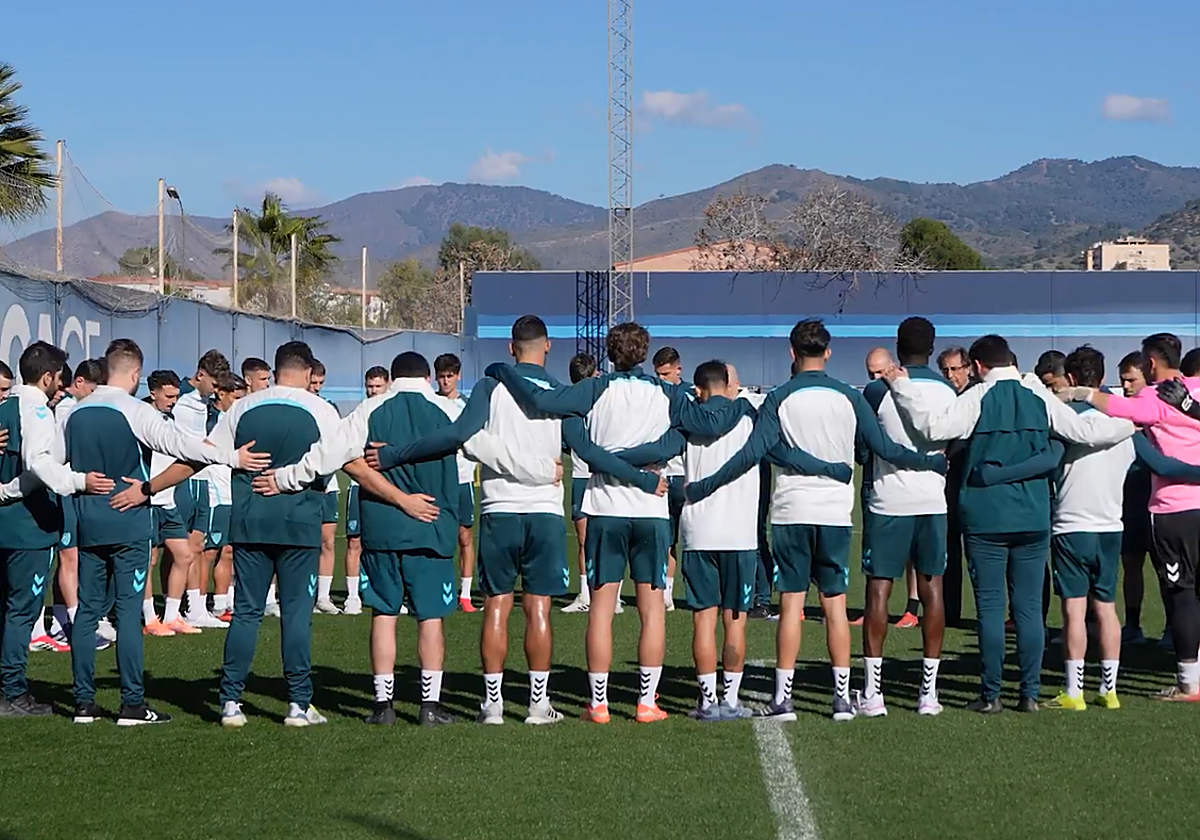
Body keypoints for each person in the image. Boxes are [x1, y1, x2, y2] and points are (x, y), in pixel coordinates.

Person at [485, 321, 751, 724]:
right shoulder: (666, 392)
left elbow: (562, 420)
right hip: (650, 509)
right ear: (645, 354)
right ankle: (646, 703)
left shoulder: (595, 388)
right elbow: (679, 439)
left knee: (601, 611)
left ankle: (599, 704)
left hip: (605, 508)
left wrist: (503, 371)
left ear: (609, 354)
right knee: (652, 611)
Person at [686, 320, 943, 722]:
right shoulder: (847, 396)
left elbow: (754, 452)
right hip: (835, 515)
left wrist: (706, 484)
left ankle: (783, 699)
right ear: (828, 352)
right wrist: (929, 462)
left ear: (792, 354)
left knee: (791, 605)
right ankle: (841, 698)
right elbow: (883, 448)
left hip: (791, 513)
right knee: (835, 605)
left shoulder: (780, 398)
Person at [264, 350, 536, 727]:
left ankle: (382, 705)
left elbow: (328, 454)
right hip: (432, 526)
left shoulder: (370, 408)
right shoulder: (447, 410)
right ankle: (429, 705)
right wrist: (536, 470)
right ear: (427, 378)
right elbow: (488, 448)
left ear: (391, 379)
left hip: (382, 528)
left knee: (384, 614)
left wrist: (283, 479)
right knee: (430, 619)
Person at [884, 334, 1135, 713]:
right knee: (1029, 609)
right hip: (1033, 515)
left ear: (979, 367)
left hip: (985, 516)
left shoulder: (978, 395)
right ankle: (1029, 693)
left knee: (989, 607)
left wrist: (899, 385)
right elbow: (1084, 432)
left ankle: (991, 694)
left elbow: (931, 428)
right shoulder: (1038, 395)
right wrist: (1133, 423)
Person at [983, 345, 1200, 710]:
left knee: (1072, 609)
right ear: (1103, 379)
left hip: (1071, 525)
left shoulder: (1063, 422)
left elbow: (1049, 461)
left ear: (1070, 379)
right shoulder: (1127, 428)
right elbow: (1162, 465)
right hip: (1110, 527)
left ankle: (1073, 691)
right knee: (1105, 608)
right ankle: (1109, 690)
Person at [67, 338, 261, 725]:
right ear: (136, 374)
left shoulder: (75, 412)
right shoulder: (134, 411)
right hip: (129, 519)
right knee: (126, 611)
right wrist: (231, 456)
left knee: (87, 611)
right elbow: (180, 445)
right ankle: (132, 705)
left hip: (87, 520)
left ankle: (83, 703)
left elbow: (50, 464)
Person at [152, 341, 332, 727]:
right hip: (300, 523)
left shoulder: (244, 407)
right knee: (296, 613)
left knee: (246, 612)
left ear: (277, 370)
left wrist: (151, 487)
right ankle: (299, 704)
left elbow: (201, 455)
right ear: (305, 371)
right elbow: (343, 459)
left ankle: (231, 701)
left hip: (250, 522)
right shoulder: (320, 409)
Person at [1077, 333, 1200, 699]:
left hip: (1173, 509)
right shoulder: (1192, 390)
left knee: (1182, 595)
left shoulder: (1156, 396)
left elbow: (1118, 409)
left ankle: (1189, 683)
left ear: (1149, 364)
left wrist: (1082, 394)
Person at [0, 342, 112, 717]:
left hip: (9, 524)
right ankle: (12, 692)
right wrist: (77, 481)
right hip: (27, 527)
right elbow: (37, 461)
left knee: (7, 610)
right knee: (20, 613)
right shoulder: (34, 408)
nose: (61, 387)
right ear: (47, 377)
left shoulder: (5, 406)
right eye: (59, 379)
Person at [856, 320, 957, 717]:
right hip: (932, 502)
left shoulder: (879, 389)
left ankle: (873, 693)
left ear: (898, 349)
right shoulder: (947, 389)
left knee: (878, 590)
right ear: (932, 350)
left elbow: (867, 443)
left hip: (889, 502)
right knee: (932, 590)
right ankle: (928, 693)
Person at [676, 361, 758, 721]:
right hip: (739, 533)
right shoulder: (749, 414)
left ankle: (708, 701)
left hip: (699, 531)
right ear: (728, 386)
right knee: (735, 620)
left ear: (698, 389)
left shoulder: (686, 418)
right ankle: (732, 699)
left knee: (703, 620)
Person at [36, 358, 106, 651]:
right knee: (64, 558)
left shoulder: (66, 408)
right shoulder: (68, 411)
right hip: (58, 490)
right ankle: (72, 626)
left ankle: (65, 622)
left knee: (66, 557)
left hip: (65, 490)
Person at [857, 347, 921, 630]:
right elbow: (862, 432)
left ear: (893, 366)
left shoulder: (912, 390)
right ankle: (873, 609)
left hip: (911, 476)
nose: (876, 378)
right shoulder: (872, 393)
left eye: (881, 372)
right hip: (876, 475)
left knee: (914, 548)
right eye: (871, 373)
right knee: (873, 545)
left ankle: (913, 607)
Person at [139, 369, 201, 637]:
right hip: (148, 500)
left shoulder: (170, 417)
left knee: (184, 554)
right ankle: (150, 619)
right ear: (153, 393)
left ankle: (173, 616)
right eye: (169, 395)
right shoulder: (141, 417)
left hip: (168, 500)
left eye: (176, 395)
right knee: (148, 559)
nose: (173, 400)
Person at [173, 350, 230, 623]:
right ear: (200, 375)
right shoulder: (180, 401)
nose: (217, 392)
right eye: (214, 385)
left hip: (204, 481)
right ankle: (174, 608)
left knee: (197, 544)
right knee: (179, 548)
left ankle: (195, 609)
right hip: (183, 480)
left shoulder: (203, 403)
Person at [341, 366, 390, 617]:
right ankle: (351, 597)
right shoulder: (359, 413)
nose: (373, 391)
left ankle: (384, 593)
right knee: (355, 541)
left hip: (384, 486)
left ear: (388, 385)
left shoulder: (390, 412)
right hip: (358, 485)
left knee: (383, 542)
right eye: (370, 386)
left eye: (378, 386)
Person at [433, 353, 479, 613]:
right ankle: (439, 588)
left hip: (462, 480)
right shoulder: (430, 403)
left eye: (450, 376)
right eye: (441, 377)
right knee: (439, 537)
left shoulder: (468, 406)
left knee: (464, 536)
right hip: (438, 479)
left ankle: (465, 594)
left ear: (458, 376)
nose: (446, 381)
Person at [1116, 351, 1154, 645]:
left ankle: (1171, 630)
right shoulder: (1121, 410)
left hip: (1157, 497)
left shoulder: (1163, 409)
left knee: (1168, 568)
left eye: (1131, 380)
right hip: (1128, 497)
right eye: (1123, 380)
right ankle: (1132, 624)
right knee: (1131, 563)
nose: (1126, 386)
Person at [204, 374, 247, 622]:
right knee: (209, 551)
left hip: (232, 491)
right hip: (214, 493)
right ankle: (199, 605)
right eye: (236, 397)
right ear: (221, 393)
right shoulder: (210, 419)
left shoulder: (236, 419)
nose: (240, 403)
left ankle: (223, 602)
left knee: (229, 550)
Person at [937, 346, 973, 625]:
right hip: (948, 485)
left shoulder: (977, 396)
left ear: (968, 368)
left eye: (955, 369)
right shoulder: (944, 398)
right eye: (946, 370)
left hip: (973, 483)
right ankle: (950, 611)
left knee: (977, 550)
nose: (951, 375)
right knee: (949, 548)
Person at [561, 353, 600, 614]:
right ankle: (585, 594)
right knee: (585, 539)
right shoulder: (569, 404)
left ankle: (610, 595)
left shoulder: (604, 401)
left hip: (601, 475)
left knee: (601, 538)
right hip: (581, 476)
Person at [305, 359, 343, 615]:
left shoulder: (330, 408)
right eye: (313, 382)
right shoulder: (298, 407)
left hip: (328, 483)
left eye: (320, 383)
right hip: (303, 483)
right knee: (304, 543)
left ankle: (323, 596)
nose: (316, 387)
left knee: (327, 541)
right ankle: (300, 595)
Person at [652, 346, 686, 611]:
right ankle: (667, 593)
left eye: (666, 373)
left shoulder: (690, 396)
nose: (662, 379)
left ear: (678, 370)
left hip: (689, 477)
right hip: (665, 476)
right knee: (666, 538)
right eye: (658, 374)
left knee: (698, 537)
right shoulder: (654, 397)